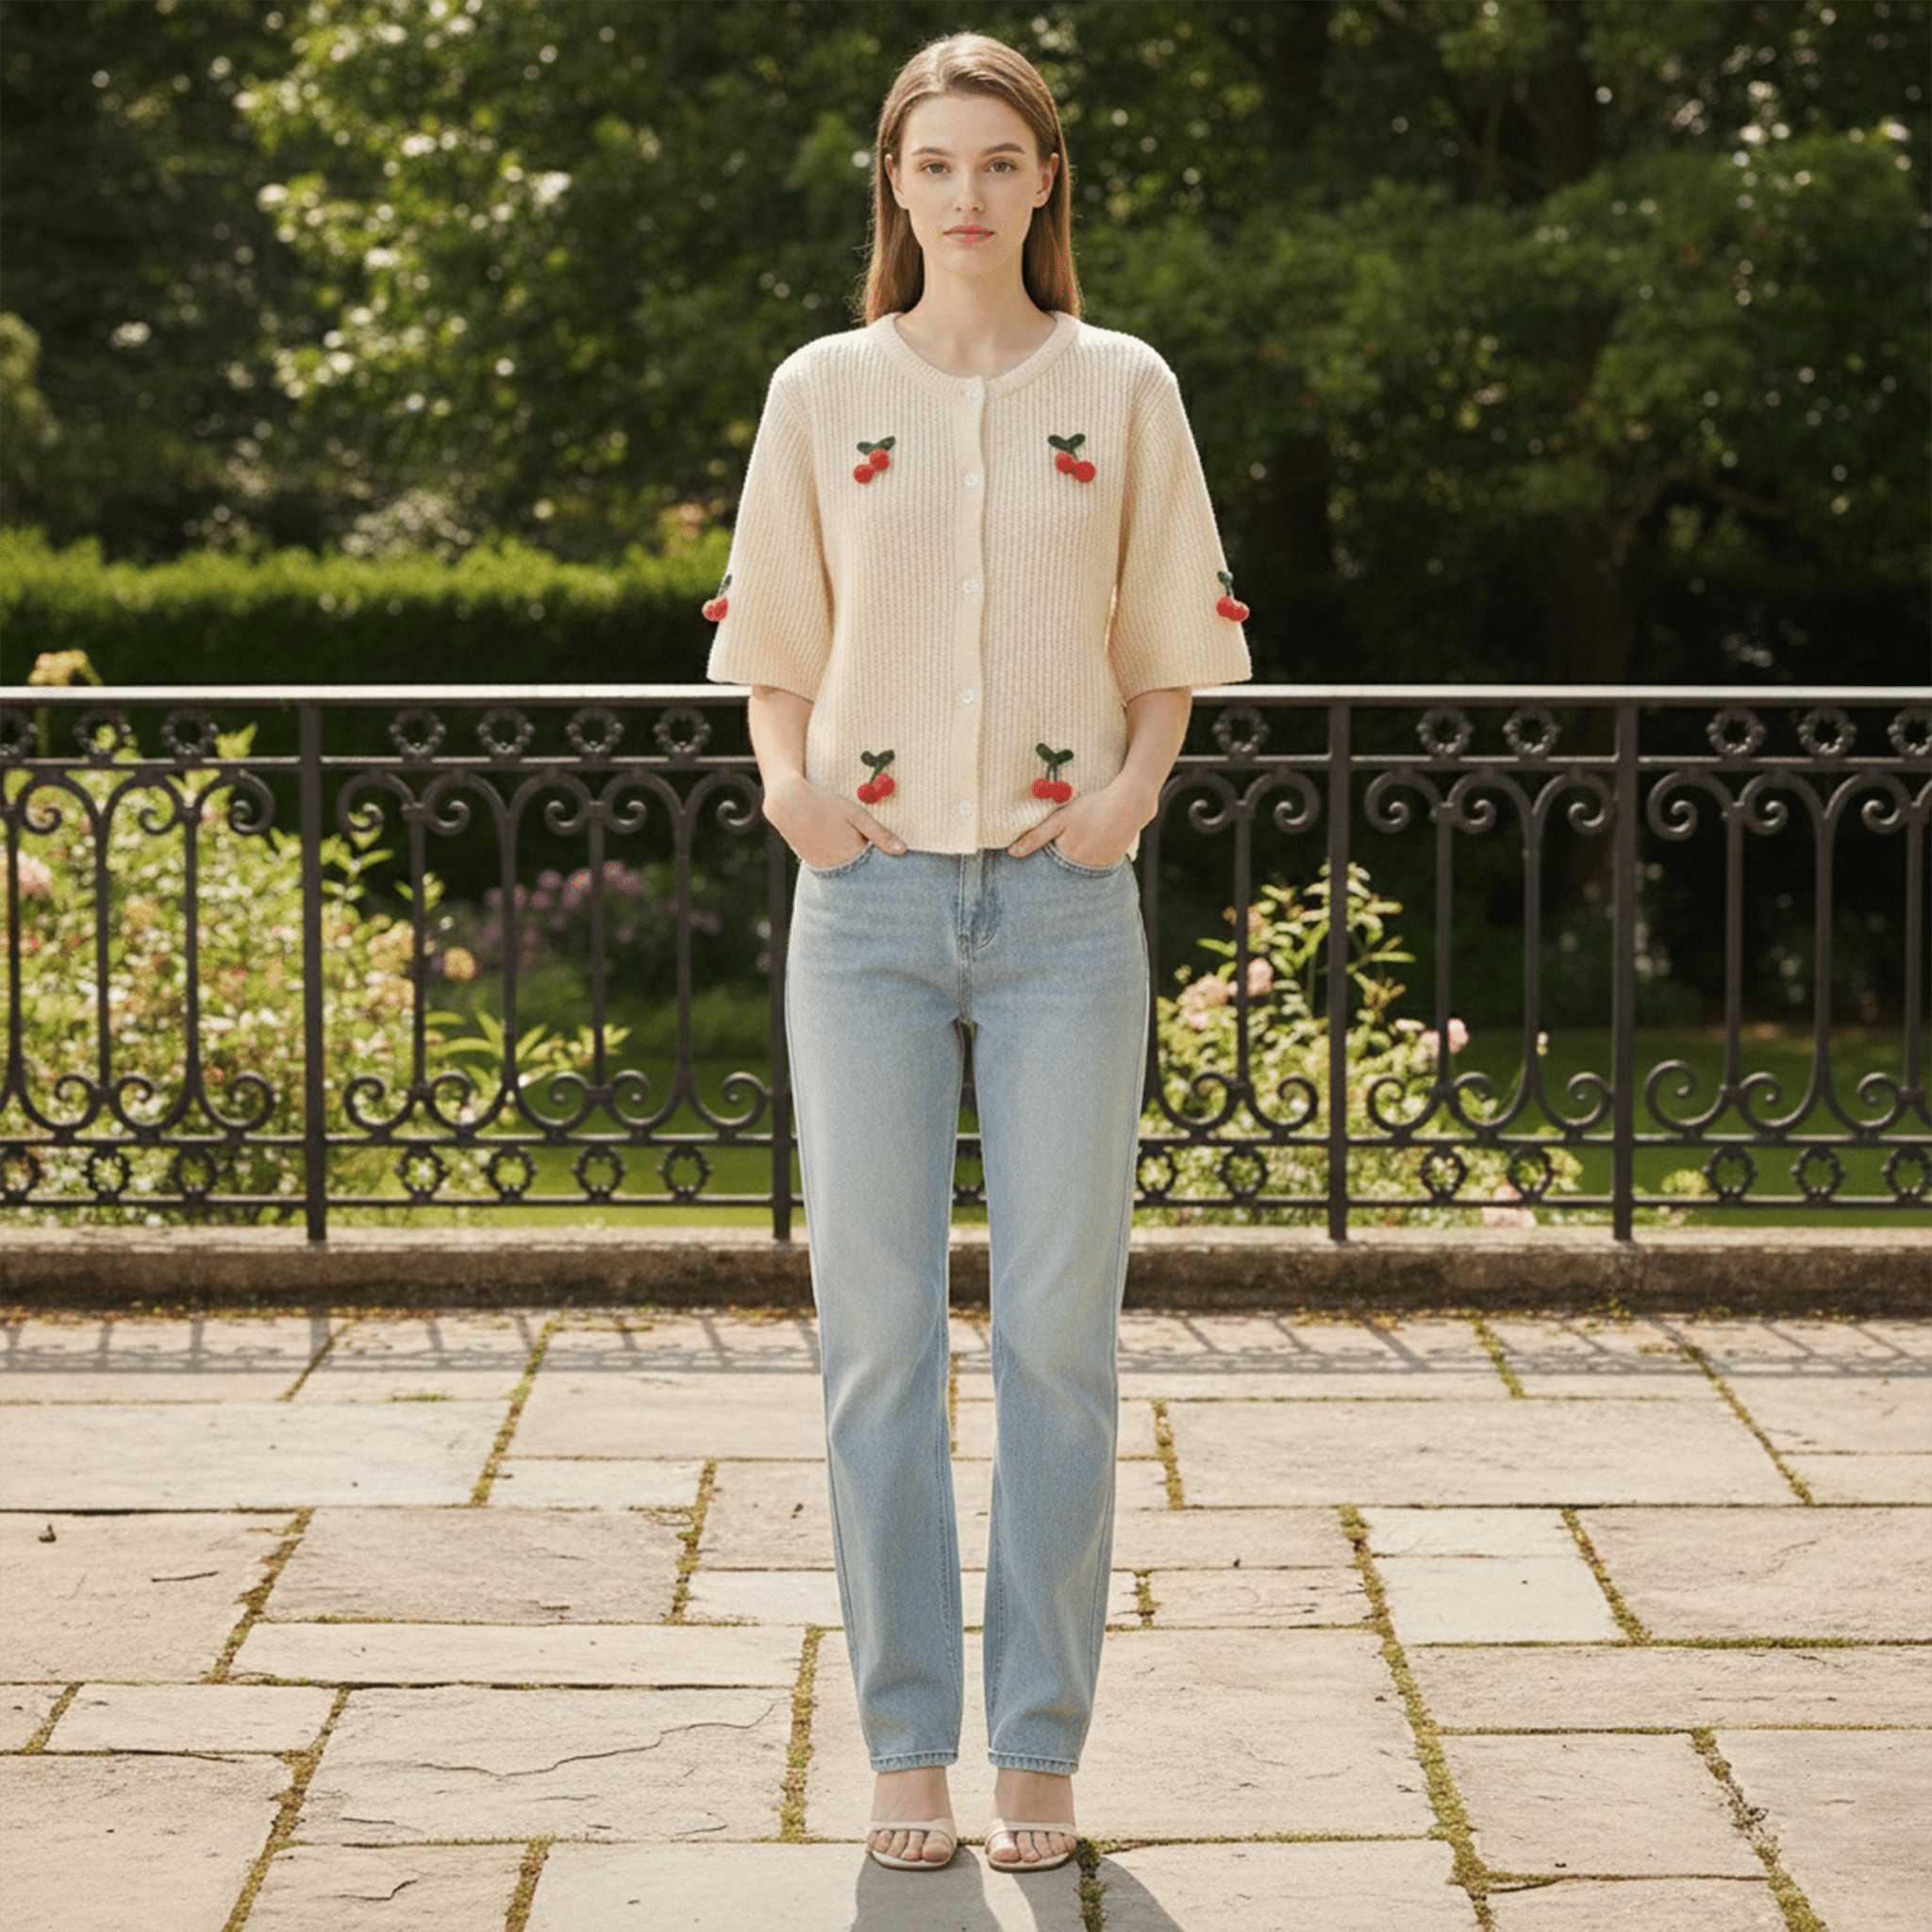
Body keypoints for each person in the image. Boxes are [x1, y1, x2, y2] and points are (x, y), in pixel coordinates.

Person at [705, 30, 1250, 1874]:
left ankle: (1036, 1753)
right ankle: (902, 1757)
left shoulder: (1125, 387)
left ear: (1042, 186)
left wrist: (1128, 797)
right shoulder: (817, 387)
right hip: (858, 908)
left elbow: (1172, 626)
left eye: (995, 163)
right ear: (893, 186)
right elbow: (773, 627)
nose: (962, 194)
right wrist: (791, 789)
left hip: (1061, 918)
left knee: (1054, 1343)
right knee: (870, 1341)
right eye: (931, 164)